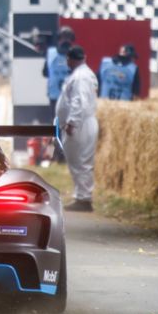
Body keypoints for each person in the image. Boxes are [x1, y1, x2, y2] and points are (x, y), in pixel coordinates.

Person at [55, 45, 99, 212]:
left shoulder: (80, 77)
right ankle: (82, 195)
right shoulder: (86, 74)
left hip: (80, 123)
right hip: (85, 121)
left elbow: (78, 101)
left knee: (79, 161)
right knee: (80, 160)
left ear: (69, 60)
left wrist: (72, 122)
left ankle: (83, 198)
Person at [42, 27, 75, 110]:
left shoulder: (51, 53)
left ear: (59, 39)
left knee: (55, 120)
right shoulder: (76, 53)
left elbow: (45, 73)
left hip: (54, 95)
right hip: (71, 96)